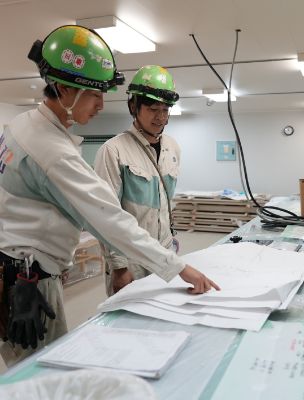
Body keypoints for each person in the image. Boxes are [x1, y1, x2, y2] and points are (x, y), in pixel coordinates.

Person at [0, 25, 219, 367]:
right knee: (44, 373)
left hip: (20, 267)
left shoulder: (21, 125)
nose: (102, 104)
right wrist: (179, 268)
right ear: (64, 89)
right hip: (28, 280)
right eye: (94, 94)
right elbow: (109, 218)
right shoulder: (56, 151)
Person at [94, 65, 182, 296]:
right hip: (131, 259)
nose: (161, 117)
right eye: (153, 109)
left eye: (165, 110)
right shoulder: (113, 150)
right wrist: (119, 267)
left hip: (164, 253)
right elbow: (105, 213)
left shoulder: (172, 148)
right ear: (133, 106)